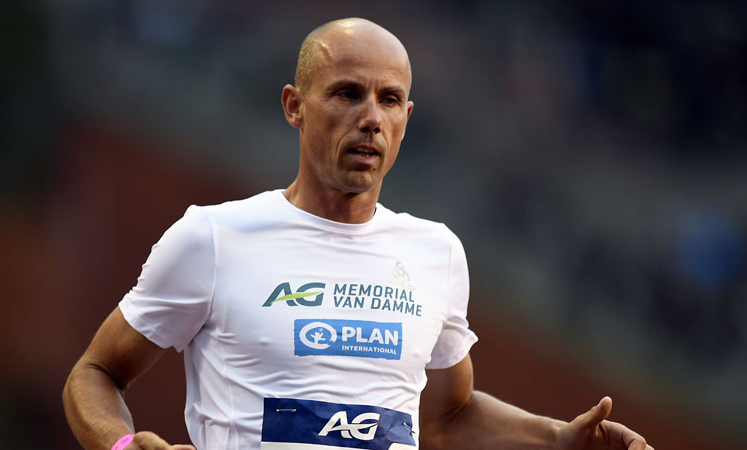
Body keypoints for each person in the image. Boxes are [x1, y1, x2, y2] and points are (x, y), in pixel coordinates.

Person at [63, 17, 654, 450]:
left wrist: (556, 437)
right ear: (294, 106)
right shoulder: (212, 238)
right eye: (348, 93)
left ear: (406, 119)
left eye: (389, 99)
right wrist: (122, 445)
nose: (371, 118)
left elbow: (445, 417)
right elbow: (93, 375)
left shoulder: (436, 253)